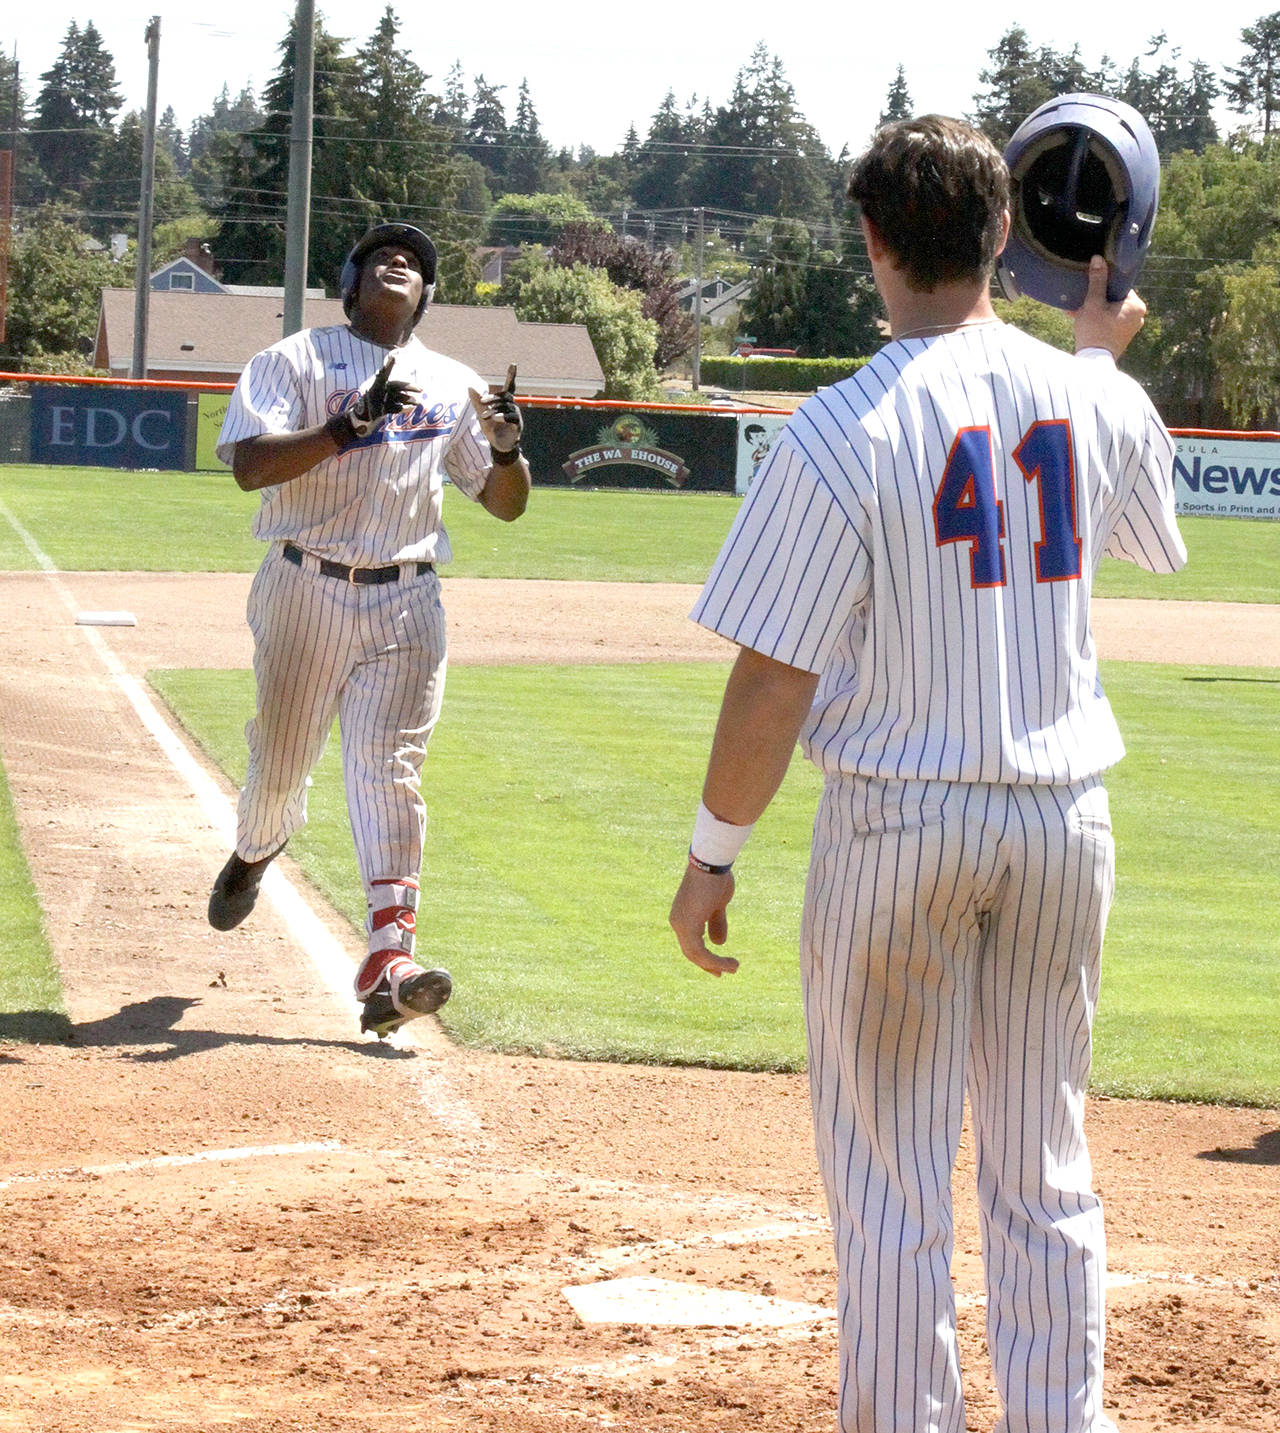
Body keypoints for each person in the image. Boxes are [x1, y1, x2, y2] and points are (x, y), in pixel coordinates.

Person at [669, 116, 1185, 1433]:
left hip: (903, 825)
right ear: (1004, 234)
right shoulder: (1090, 396)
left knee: (895, 1187)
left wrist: (712, 852)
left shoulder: (837, 431)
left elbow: (774, 676)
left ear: (872, 240)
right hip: (1067, 826)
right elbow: (1154, 537)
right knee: (1045, 1170)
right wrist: (1096, 355)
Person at [208, 221, 530, 1039]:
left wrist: (504, 450)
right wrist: (344, 428)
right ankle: (255, 849)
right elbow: (249, 467)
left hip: (407, 598)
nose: (402, 264)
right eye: (385, 256)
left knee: (391, 770)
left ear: (427, 296)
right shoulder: (293, 361)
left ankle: (391, 959)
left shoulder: (451, 380)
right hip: (303, 586)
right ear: (350, 282)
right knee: (278, 769)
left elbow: (503, 502)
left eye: (417, 263)